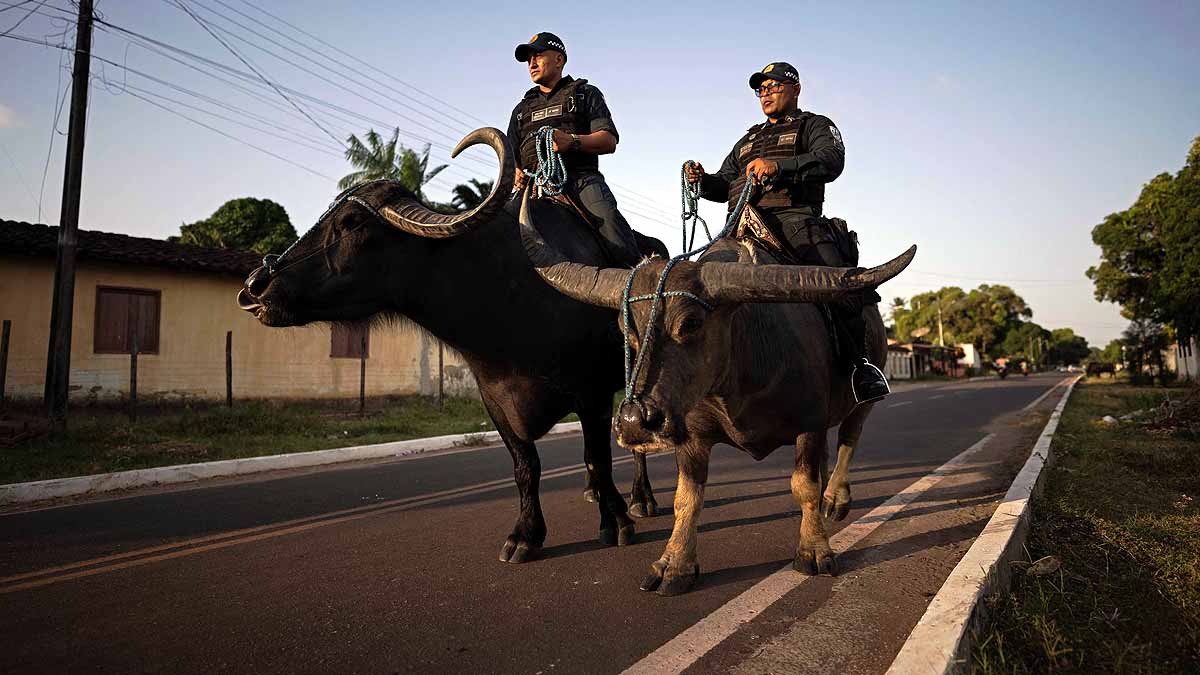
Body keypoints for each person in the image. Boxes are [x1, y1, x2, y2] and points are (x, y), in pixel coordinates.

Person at [684, 62, 890, 404]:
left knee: (840, 285)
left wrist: (779, 166)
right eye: (760, 89)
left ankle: (859, 367)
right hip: (739, 227)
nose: (765, 93)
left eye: (773, 86)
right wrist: (701, 180)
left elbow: (831, 160)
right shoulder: (747, 139)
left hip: (795, 221)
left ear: (795, 89)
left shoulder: (815, 126)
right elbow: (723, 185)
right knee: (696, 287)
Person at [507, 32, 642, 267]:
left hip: (580, 182)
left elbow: (609, 141)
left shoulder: (585, 94)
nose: (532, 63)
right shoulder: (521, 110)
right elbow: (512, 157)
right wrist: (516, 172)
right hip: (532, 190)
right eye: (528, 59)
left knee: (608, 222)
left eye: (538, 55)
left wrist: (572, 141)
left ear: (559, 60)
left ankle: (638, 280)